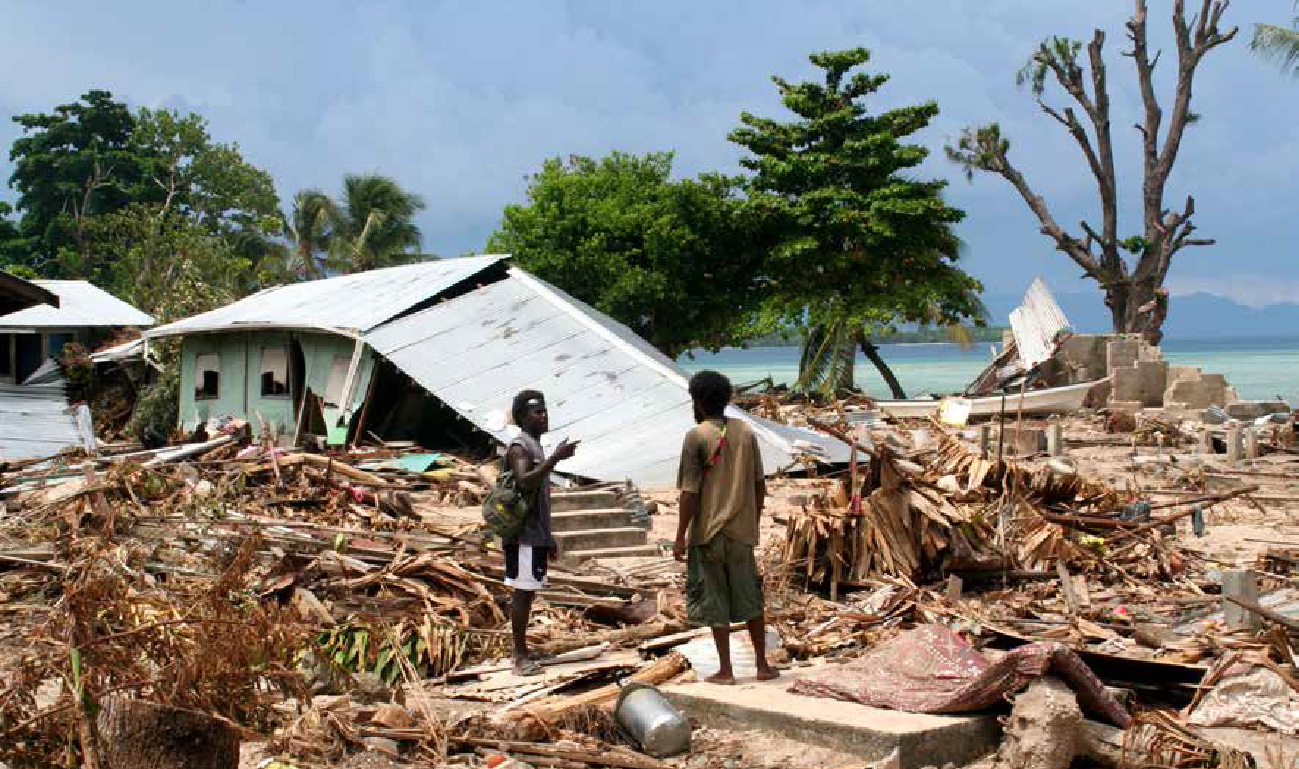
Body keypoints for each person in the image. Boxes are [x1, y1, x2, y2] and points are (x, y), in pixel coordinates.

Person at [673, 370, 778, 684]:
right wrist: (753, 520)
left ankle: (726, 670)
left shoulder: (696, 436)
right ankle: (762, 665)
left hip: (709, 534)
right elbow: (759, 485)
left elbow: (689, 492)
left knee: (715, 600)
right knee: (751, 599)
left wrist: (680, 534)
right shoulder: (744, 432)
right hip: (742, 532)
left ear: (699, 402)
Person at [504, 389, 578, 676]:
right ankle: (520, 657)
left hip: (535, 534)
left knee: (529, 590)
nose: (544, 416)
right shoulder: (519, 447)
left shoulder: (535, 446)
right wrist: (555, 459)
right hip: (522, 535)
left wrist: (549, 537)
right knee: (522, 592)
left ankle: (522, 650)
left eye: (545, 410)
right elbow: (523, 482)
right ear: (523, 417)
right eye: (537, 411)